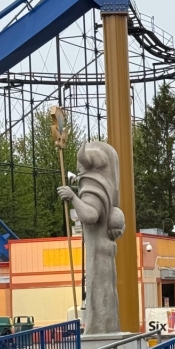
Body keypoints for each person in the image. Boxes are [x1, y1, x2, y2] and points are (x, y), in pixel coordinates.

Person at [58, 142, 125, 334]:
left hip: (97, 254)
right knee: (107, 294)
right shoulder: (107, 188)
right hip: (107, 251)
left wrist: (73, 197)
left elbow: (90, 215)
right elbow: (115, 216)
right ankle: (108, 328)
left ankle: (98, 330)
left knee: (98, 292)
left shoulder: (92, 188)